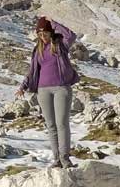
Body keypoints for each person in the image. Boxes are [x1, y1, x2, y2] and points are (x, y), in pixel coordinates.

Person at [16, 16, 80, 169]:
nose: (42, 36)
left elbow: (71, 35)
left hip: (61, 88)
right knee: (51, 126)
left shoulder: (60, 45)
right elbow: (32, 71)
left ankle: (65, 159)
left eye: (45, 33)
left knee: (62, 124)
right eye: (40, 34)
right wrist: (23, 86)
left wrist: (54, 23)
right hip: (43, 90)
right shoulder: (37, 50)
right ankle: (57, 159)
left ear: (51, 32)